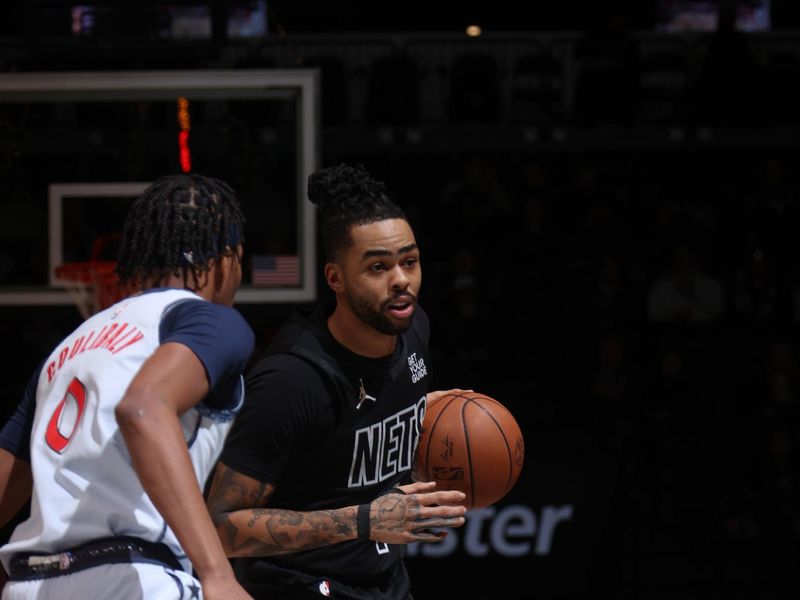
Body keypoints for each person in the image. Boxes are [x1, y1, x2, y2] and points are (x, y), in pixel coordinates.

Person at [206, 163, 468, 599]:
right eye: (378, 267)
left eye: (409, 261)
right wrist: (363, 521)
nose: (401, 279)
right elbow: (218, 527)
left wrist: (430, 415)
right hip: (299, 585)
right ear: (336, 279)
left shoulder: (414, 329)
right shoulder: (292, 380)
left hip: (384, 581)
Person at [0, 173, 256, 599]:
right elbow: (143, 409)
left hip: (31, 583)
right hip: (131, 578)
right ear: (226, 260)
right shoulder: (207, 320)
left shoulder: (70, 347)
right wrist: (218, 574)